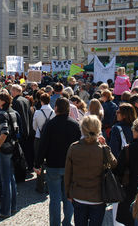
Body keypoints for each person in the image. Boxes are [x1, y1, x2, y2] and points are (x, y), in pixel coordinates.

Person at [35, 97, 82, 226]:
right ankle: (67, 222)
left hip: (53, 164)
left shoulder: (49, 124)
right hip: (70, 165)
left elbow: (43, 146)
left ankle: (54, 223)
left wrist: (37, 164)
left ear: (56, 108)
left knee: (55, 198)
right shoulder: (75, 125)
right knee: (69, 197)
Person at [65, 115, 116, 226]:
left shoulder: (74, 148)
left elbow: (68, 173)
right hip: (98, 196)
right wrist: (105, 146)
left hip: (79, 195)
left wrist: (68, 192)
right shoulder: (102, 149)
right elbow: (114, 164)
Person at [0, 92, 20, 218]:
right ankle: (13, 206)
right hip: (12, 146)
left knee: (6, 180)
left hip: (4, 148)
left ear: (3, 101)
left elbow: (4, 132)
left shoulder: (2, 114)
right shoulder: (13, 112)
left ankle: (5, 210)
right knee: (10, 178)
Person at [32, 92, 55, 193]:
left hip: (39, 137)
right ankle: (49, 185)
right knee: (50, 161)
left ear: (41, 101)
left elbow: (34, 127)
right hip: (51, 139)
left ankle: (39, 185)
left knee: (39, 160)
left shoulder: (37, 112)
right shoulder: (54, 112)